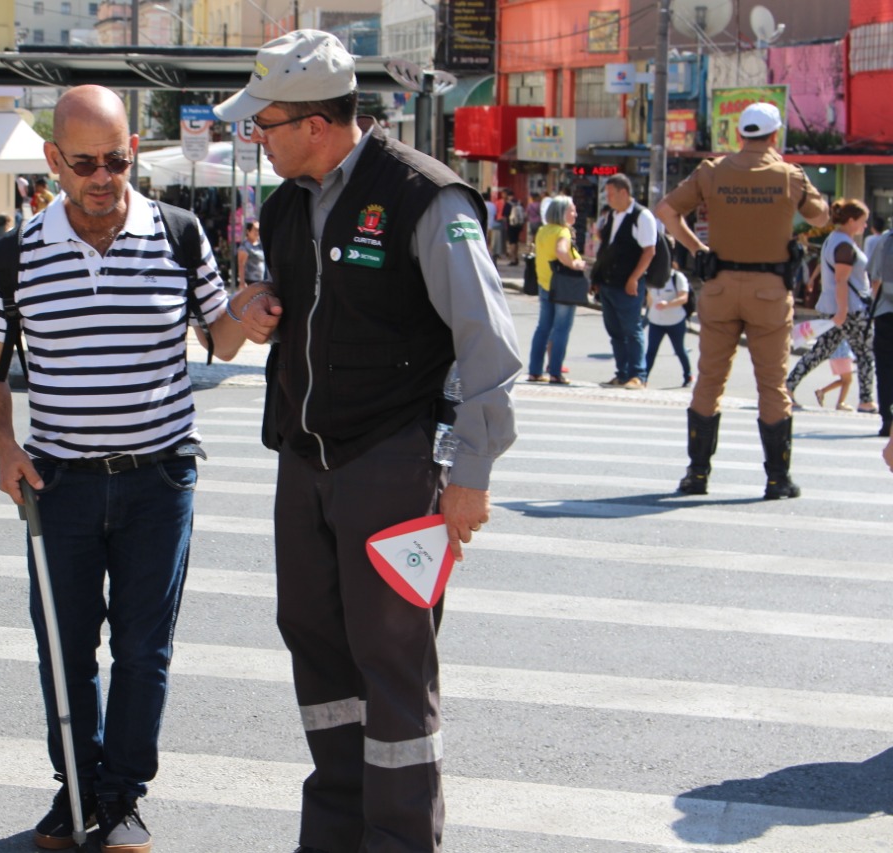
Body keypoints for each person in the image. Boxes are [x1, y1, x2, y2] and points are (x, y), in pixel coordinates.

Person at [213, 29, 521, 853]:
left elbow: (487, 343)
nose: (257, 137)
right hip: (305, 464)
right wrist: (250, 312)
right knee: (316, 650)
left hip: (393, 462)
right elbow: (271, 323)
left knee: (392, 666)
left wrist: (470, 472)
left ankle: (398, 842)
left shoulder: (425, 196)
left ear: (314, 123)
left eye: (264, 123)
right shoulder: (285, 208)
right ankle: (337, 833)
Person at [0, 84, 266, 853]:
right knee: (65, 650)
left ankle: (123, 797)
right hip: (59, 485)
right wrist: (6, 448)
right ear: (53, 160)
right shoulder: (16, 254)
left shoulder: (178, 233)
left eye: (117, 159)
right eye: (85, 163)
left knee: (143, 648)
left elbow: (221, 338)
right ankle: (75, 788)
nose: (103, 176)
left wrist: (250, 309)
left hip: (159, 478)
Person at [657, 101, 830, 499]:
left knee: (709, 382)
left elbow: (667, 211)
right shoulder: (789, 175)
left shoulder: (712, 172)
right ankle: (777, 479)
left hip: (719, 288)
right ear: (775, 136)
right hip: (769, 290)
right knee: (772, 385)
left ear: (740, 135)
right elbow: (821, 217)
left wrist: (698, 249)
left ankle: (697, 475)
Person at [785, 200, 879, 415]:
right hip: (850, 309)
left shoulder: (833, 240)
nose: (865, 226)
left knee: (821, 351)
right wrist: (843, 311)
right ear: (851, 220)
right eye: (863, 222)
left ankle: (788, 386)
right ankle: (866, 400)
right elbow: (841, 280)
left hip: (835, 307)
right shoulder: (844, 245)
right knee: (865, 352)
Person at [592, 174, 657, 390]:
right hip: (609, 282)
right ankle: (622, 373)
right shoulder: (612, 215)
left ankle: (638, 374)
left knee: (632, 329)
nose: (608, 198)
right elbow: (607, 248)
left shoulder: (641, 216)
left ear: (624, 192)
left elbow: (649, 251)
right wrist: (597, 277)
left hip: (627, 283)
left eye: (611, 194)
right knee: (615, 331)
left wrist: (634, 278)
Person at [526, 194, 583, 384]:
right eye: (571, 210)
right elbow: (560, 251)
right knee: (561, 329)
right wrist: (575, 264)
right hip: (563, 286)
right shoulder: (562, 232)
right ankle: (556, 371)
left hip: (545, 283)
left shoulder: (543, 230)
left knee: (543, 328)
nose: (575, 213)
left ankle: (535, 370)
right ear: (561, 213)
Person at [644, 249, 693, 388]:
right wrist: (649, 313)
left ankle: (688, 375)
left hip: (675, 321)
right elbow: (649, 297)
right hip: (656, 321)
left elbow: (684, 298)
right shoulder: (652, 277)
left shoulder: (677, 277)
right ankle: (644, 377)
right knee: (651, 351)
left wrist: (668, 304)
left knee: (679, 350)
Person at [865, 217, 893, 436]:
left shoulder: (885, 240)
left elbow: (875, 280)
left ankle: (887, 420)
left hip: (886, 313)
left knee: (885, 370)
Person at [813, 341, 856, 411]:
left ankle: (822, 391)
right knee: (847, 381)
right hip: (842, 354)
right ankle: (840, 403)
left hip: (837, 355)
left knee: (845, 381)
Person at [236, 218, 265, 289]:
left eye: (259, 230)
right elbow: (241, 265)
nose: (257, 232)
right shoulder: (245, 246)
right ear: (248, 231)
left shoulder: (260, 245)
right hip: (250, 281)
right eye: (255, 230)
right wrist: (242, 283)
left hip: (261, 280)